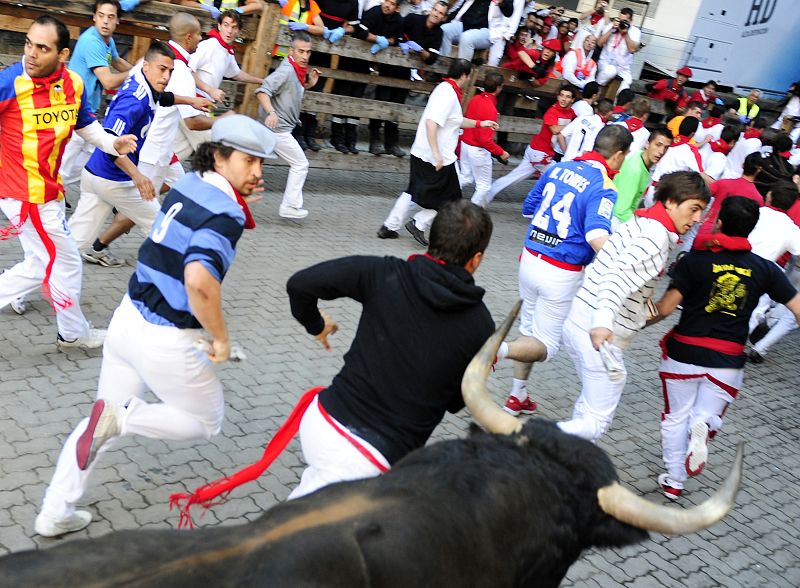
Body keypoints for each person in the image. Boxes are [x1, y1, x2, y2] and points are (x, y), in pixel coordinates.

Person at [34, 115, 276, 538]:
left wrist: (236, 204)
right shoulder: (223, 213)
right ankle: (126, 419)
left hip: (127, 319)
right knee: (205, 421)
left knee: (98, 420)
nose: (257, 172)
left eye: (261, 164)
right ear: (219, 157)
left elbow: (193, 227)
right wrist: (220, 338)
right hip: (167, 338)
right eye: (248, 161)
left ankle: (56, 511)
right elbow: (200, 282)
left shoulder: (189, 183)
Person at [286, 200, 495, 498]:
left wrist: (316, 325)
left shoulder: (383, 272)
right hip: (374, 460)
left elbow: (299, 284)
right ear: (475, 259)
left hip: (321, 422)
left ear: (432, 239)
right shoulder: (481, 326)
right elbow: (456, 401)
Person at [0, 15, 137, 349]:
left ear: (62, 55)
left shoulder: (73, 84)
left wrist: (110, 144)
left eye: (42, 48)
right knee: (65, 261)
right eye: (29, 43)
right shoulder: (9, 82)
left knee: (41, 262)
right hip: (24, 194)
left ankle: (71, 331)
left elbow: (85, 124)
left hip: (50, 190)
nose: (30, 53)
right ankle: (74, 334)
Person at [655, 196, 800, 499]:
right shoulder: (766, 269)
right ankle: (703, 428)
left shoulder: (693, 260)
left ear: (719, 222)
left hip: (684, 352)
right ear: (751, 229)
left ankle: (674, 480)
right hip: (727, 359)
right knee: (705, 415)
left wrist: (634, 322)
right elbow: (797, 309)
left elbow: (666, 309)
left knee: (674, 416)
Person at [558, 171, 710, 442]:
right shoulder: (655, 238)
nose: (697, 219)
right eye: (694, 209)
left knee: (590, 404)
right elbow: (616, 277)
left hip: (578, 316)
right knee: (596, 420)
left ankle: (568, 468)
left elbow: (617, 271)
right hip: (598, 332)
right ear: (671, 202)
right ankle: (528, 438)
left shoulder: (640, 223)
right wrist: (603, 322)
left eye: (702, 211)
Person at [500, 125, 632, 416]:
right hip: (560, 271)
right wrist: (625, 266)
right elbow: (596, 237)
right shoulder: (604, 186)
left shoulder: (559, 168)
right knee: (546, 345)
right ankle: (497, 351)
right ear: (619, 155)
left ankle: (516, 395)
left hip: (530, 259)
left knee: (529, 331)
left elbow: (527, 208)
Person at [67, 42, 212, 260]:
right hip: (113, 179)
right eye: (162, 69)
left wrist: (191, 100)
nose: (166, 76)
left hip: (95, 175)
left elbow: (164, 98)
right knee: (162, 228)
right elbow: (109, 145)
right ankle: (178, 279)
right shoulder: (134, 101)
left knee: (74, 243)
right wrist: (138, 176)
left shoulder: (145, 84)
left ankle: (26, 276)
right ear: (146, 66)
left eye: (170, 71)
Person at [376, 59, 498, 244]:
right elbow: (431, 123)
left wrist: (480, 123)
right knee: (452, 199)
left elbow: (455, 120)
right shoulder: (448, 94)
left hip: (423, 152)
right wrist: (437, 154)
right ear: (464, 76)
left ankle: (389, 226)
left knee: (413, 192)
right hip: (436, 156)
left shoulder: (445, 89)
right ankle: (419, 222)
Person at [138, 13, 216, 197]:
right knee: (143, 205)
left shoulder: (157, 58)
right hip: (154, 149)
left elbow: (166, 98)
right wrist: (227, 119)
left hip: (160, 147)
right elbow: (192, 123)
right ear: (188, 37)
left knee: (178, 187)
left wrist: (193, 100)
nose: (200, 38)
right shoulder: (178, 69)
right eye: (199, 34)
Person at [59, 0, 134, 189]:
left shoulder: (107, 41)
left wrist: (142, 72)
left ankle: (63, 191)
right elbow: (108, 81)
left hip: (87, 111)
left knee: (91, 160)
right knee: (64, 168)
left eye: (110, 17)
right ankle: (45, 197)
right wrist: (137, 73)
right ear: (94, 17)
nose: (105, 21)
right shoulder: (93, 41)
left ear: (118, 20)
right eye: (101, 16)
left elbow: (116, 61)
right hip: (73, 110)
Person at [256, 32, 320, 220]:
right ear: (291, 51)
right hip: (277, 130)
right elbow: (262, 91)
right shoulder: (286, 71)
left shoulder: (297, 71)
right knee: (300, 164)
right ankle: (290, 205)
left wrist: (309, 84)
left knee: (251, 165)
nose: (305, 56)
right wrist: (271, 112)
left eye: (308, 52)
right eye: (301, 51)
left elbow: (290, 92)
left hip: (279, 129)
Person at [482, 83, 577, 206]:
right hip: (540, 153)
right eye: (561, 95)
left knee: (513, 178)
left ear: (572, 99)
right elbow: (554, 130)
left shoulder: (571, 113)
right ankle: (539, 207)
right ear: (557, 96)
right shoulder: (552, 112)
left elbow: (567, 130)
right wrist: (573, 126)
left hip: (537, 151)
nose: (563, 99)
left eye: (568, 97)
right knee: (559, 177)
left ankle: (483, 198)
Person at [353, 0, 406, 157]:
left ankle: (391, 143)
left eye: (392, 3)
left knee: (395, 103)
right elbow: (360, 32)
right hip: (364, 57)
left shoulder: (399, 20)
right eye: (386, 1)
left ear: (397, 8)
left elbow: (398, 39)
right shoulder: (374, 12)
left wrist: (387, 41)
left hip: (390, 64)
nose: (387, 5)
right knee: (380, 100)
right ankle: (374, 141)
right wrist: (378, 39)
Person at [190, 11, 265, 102]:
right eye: (226, 25)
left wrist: (261, 81)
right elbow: (188, 70)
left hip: (205, 102)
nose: (229, 31)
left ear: (238, 31)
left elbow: (237, 74)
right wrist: (210, 90)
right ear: (219, 26)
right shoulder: (208, 45)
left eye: (234, 27)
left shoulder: (228, 50)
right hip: (193, 99)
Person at [460, 72, 509, 208]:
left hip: (465, 144)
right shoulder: (491, 108)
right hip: (478, 149)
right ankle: (471, 214)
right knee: (484, 186)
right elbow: (485, 140)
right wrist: (501, 152)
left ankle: (443, 194)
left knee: (465, 177)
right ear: (499, 88)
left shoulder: (475, 99)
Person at [611, 128, 672, 226]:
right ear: (647, 144)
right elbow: (620, 211)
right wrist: (639, 227)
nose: (661, 151)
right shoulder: (635, 169)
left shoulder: (640, 157)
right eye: (658, 145)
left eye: (666, 148)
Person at [645, 116, 711, 207]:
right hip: (666, 196)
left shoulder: (668, 142)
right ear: (692, 134)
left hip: (651, 190)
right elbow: (702, 175)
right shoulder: (690, 151)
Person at [439, 0, 513, 61]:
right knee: (444, 30)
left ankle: (461, 74)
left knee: (466, 38)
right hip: (465, 24)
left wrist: (502, 2)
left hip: (487, 31)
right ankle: (442, 64)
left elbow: (509, 12)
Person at [595, 7, 640, 96]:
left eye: (625, 21)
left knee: (626, 87)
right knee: (610, 71)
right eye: (620, 19)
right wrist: (612, 30)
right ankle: (595, 89)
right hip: (606, 64)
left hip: (622, 68)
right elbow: (599, 43)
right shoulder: (611, 26)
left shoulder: (635, 31)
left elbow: (632, 50)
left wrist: (625, 33)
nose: (621, 22)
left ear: (630, 21)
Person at [557, 97, 613, 162]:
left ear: (596, 109)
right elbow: (586, 152)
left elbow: (560, 136)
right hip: (579, 166)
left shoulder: (581, 118)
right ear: (610, 113)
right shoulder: (602, 129)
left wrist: (566, 153)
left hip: (565, 161)